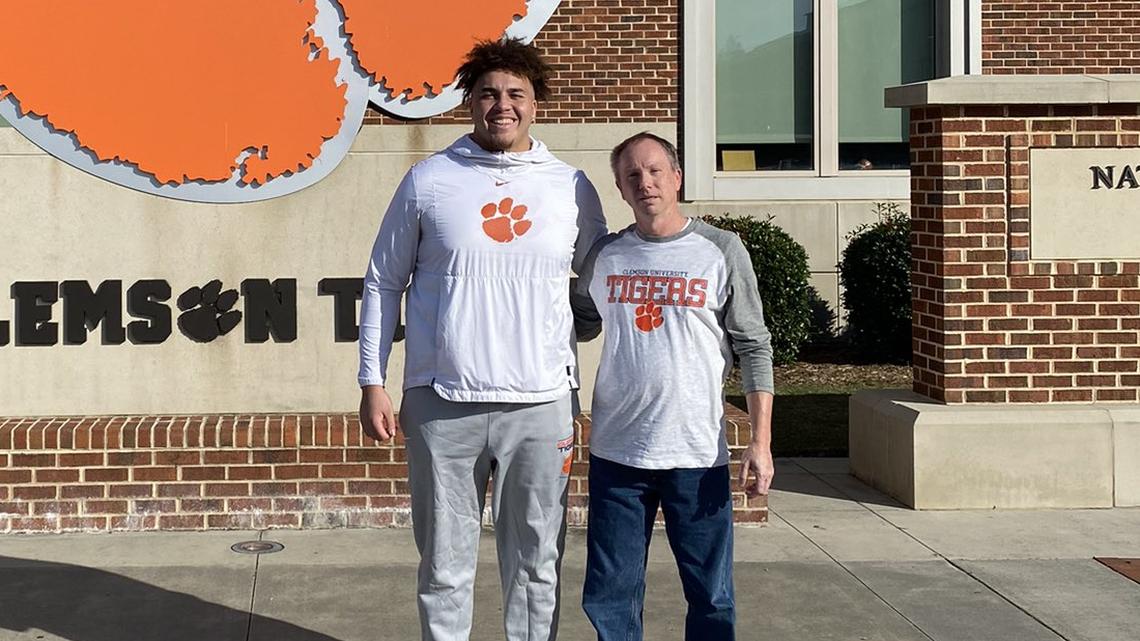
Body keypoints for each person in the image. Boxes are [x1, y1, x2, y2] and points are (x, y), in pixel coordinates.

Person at [357, 39, 607, 641]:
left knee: (536, 567)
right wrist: (372, 380)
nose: (503, 105)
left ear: (536, 105)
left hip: (542, 404)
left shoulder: (570, 187)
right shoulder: (429, 180)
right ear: (470, 102)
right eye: (489, 93)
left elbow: (610, 276)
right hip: (443, 404)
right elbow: (382, 281)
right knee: (444, 567)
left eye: (516, 94)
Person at [572, 132, 775, 641]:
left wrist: (761, 441)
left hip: (695, 453)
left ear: (677, 177)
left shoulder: (720, 250)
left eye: (656, 170)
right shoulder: (606, 256)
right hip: (618, 454)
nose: (646, 183)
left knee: (710, 595)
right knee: (611, 595)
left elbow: (754, 347)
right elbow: (578, 322)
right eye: (633, 175)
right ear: (620, 188)